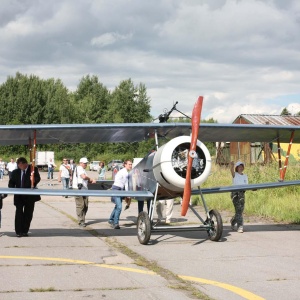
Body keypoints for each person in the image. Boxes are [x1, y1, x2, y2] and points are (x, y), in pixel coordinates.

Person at [8, 157, 41, 237]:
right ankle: (18, 231)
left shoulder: (33, 169)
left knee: (28, 214)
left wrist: (33, 179)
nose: (19, 167)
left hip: (30, 197)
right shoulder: (15, 172)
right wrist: (11, 189)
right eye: (18, 165)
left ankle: (25, 231)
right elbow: (11, 183)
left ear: (24, 164)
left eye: (20, 165)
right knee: (19, 213)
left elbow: (38, 178)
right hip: (19, 197)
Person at [72, 157, 96, 227]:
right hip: (78, 189)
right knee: (80, 205)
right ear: (81, 163)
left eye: (86, 163)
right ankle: (81, 221)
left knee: (85, 205)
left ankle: (82, 219)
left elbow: (85, 178)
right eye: (85, 163)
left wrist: (90, 181)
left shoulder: (83, 169)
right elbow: (83, 177)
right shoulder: (79, 168)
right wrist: (90, 179)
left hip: (84, 189)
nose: (86, 164)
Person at [109, 160, 132, 229]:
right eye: (129, 164)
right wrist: (128, 194)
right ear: (125, 165)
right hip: (116, 189)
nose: (130, 166)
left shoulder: (124, 171)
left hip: (119, 189)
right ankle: (115, 223)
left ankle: (111, 219)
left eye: (131, 164)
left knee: (117, 206)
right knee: (119, 207)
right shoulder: (124, 172)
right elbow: (126, 184)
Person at [230, 161, 248, 233]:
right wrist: (231, 166)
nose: (240, 168)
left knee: (240, 210)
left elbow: (247, 185)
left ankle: (233, 221)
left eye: (241, 167)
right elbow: (231, 171)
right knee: (238, 209)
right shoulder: (235, 174)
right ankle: (240, 226)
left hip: (242, 193)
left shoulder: (245, 176)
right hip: (235, 193)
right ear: (236, 168)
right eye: (239, 167)